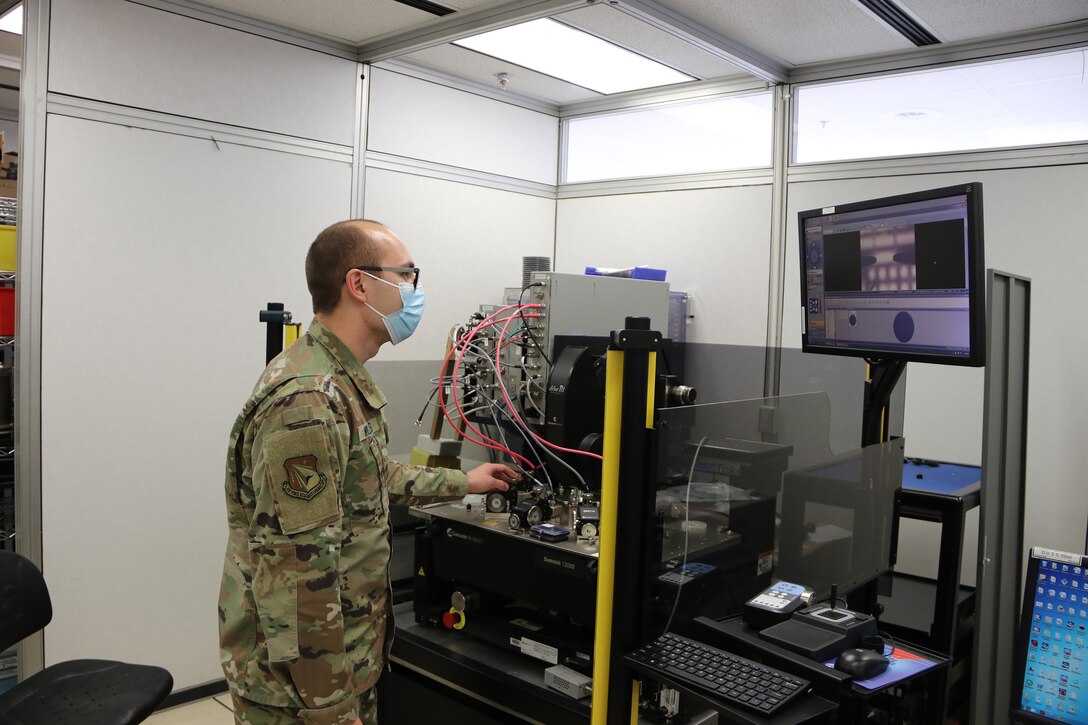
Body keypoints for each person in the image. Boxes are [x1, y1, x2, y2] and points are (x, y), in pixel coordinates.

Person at [218, 220, 519, 724]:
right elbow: (299, 572)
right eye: (406, 275)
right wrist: (331, 707)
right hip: (300, 692)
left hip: (336, 667)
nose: (414, 292)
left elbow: (371, 478)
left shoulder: (336, 379)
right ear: (359, 284)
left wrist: (466, 482)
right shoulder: (309, 399)